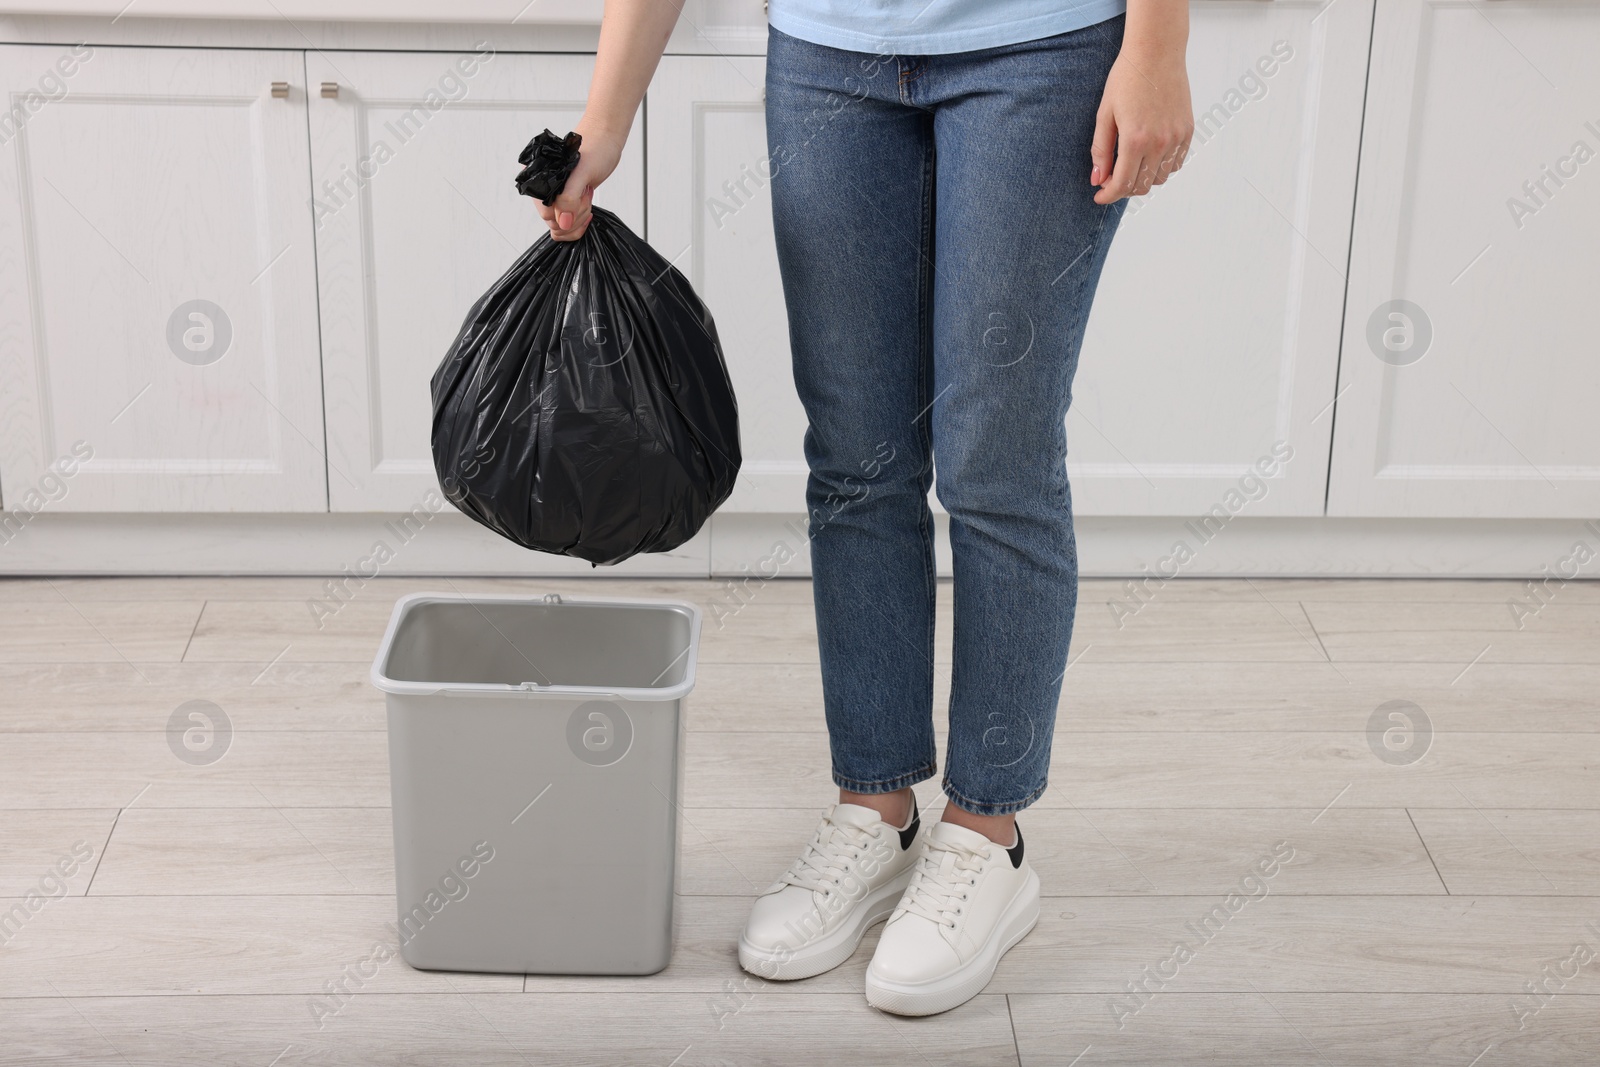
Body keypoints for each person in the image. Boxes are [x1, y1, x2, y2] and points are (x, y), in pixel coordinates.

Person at [536, 0, 1192, 1017]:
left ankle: (986, 833)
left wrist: (1156, 47)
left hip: (1040, 49)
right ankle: (876, 811)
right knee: (855, 462)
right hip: (829, 53)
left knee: (995, 464)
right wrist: (602, 122)